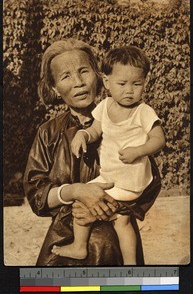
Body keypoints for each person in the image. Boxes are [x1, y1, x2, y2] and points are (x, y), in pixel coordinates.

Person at [23, 39, 161, 266]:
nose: (78, 82)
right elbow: (37, 196)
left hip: (114, 244)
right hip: (64, 240)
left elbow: (148, 183)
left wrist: (111, 209)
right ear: (54, 88)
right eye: (66, 76)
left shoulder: (128, 121)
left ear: (98, 77)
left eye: (83, 71)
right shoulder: (47, 133)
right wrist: (76, 191)